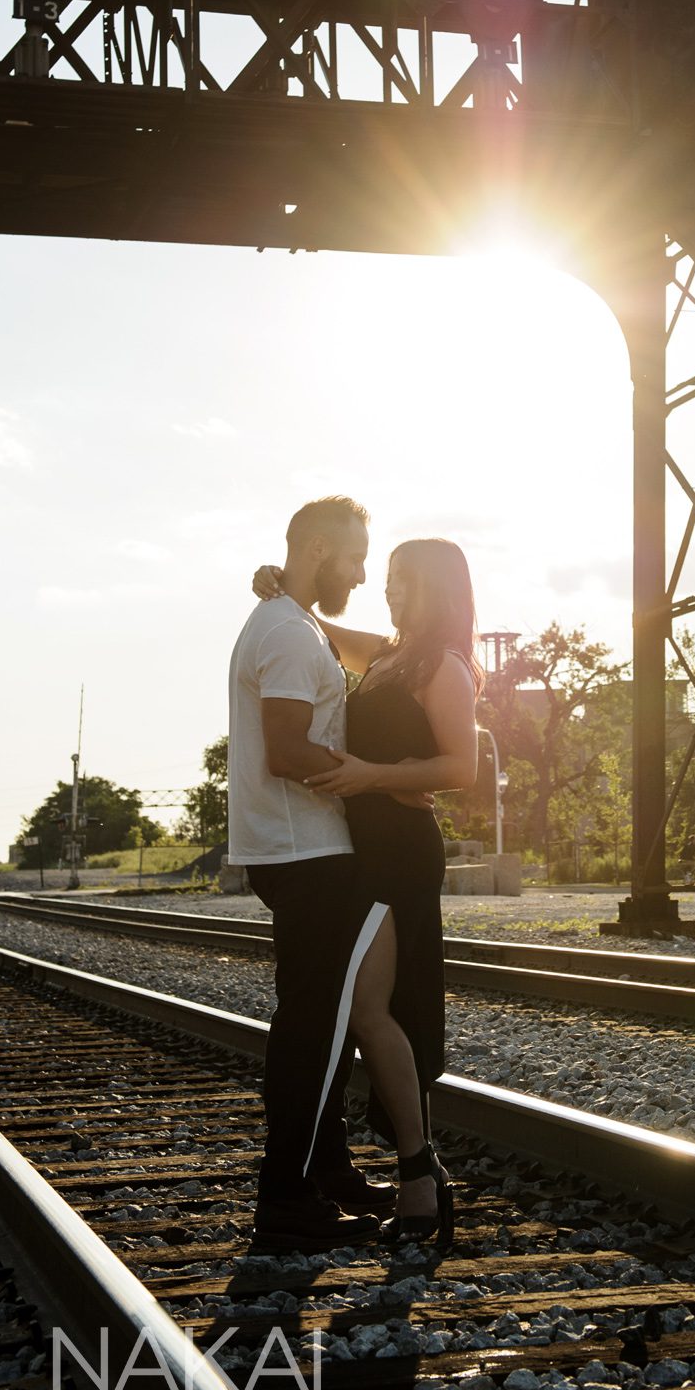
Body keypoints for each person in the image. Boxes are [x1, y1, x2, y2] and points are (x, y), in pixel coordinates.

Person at [254, 537, 480, 1246]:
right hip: (367, 851)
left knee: (365, 1007)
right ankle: (414, 1179)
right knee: (368, 1009)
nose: (389, 591)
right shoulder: (387, 655)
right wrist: (280, 589)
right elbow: (319, 632)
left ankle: (419, 1175)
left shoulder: (442, 666)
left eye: (402, 582)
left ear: (436, 590)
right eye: (386, 580)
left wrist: (369, 776)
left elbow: (463, 767)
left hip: (398, 856)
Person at [228, 494, 433, 1249]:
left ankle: (328, 1177)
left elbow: (377, 650)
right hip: (302, 851)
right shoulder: (285, 630)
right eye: (353, 558)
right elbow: (285, 749)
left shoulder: (294, 620)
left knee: (328, 1021)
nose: (360, 571)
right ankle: (286, 1200)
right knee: (312, 1029)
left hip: (301, 847)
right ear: (316, 549)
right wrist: (375, 775)